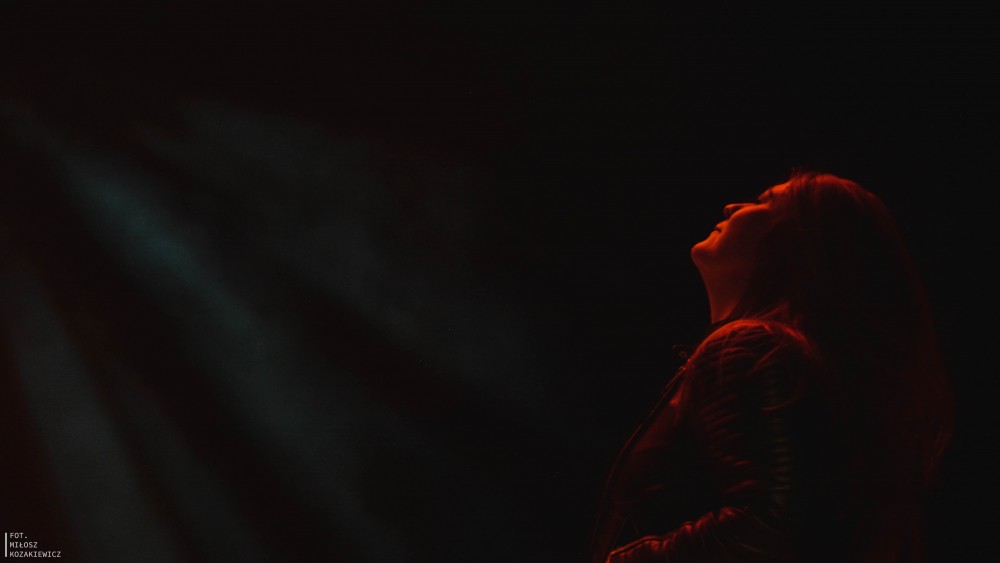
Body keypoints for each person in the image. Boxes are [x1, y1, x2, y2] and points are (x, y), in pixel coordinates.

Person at [589, 171, 954, 563]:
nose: (731, 206)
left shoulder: (751, 347)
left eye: (763, 202)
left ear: (800, 244)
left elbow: (766, 529)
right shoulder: (794, 362)